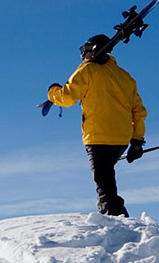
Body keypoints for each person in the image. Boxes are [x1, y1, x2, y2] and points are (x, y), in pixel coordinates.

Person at [47, 34, 147, 217]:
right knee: (105, 179)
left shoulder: (88, 70)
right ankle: (106, 219)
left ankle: (117, 222)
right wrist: (137, 141)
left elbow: (67, 97)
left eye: (84, 51)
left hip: (98, 136)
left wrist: (52, 92)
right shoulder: (125, 77)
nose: (82, 56)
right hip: (121, 139)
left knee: (104, 184)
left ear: (93, 51)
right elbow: (138, 111)